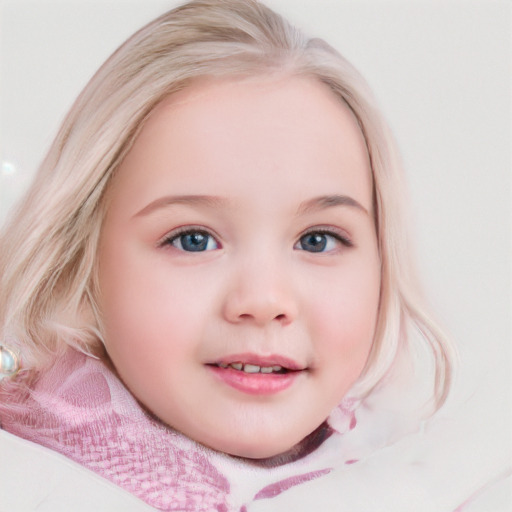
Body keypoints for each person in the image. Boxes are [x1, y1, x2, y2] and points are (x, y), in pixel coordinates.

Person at [0, 1, 508, 511]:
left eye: (318, 240)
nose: (264, 301)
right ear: (78, 263)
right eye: (193, 239)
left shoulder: (434, 481)